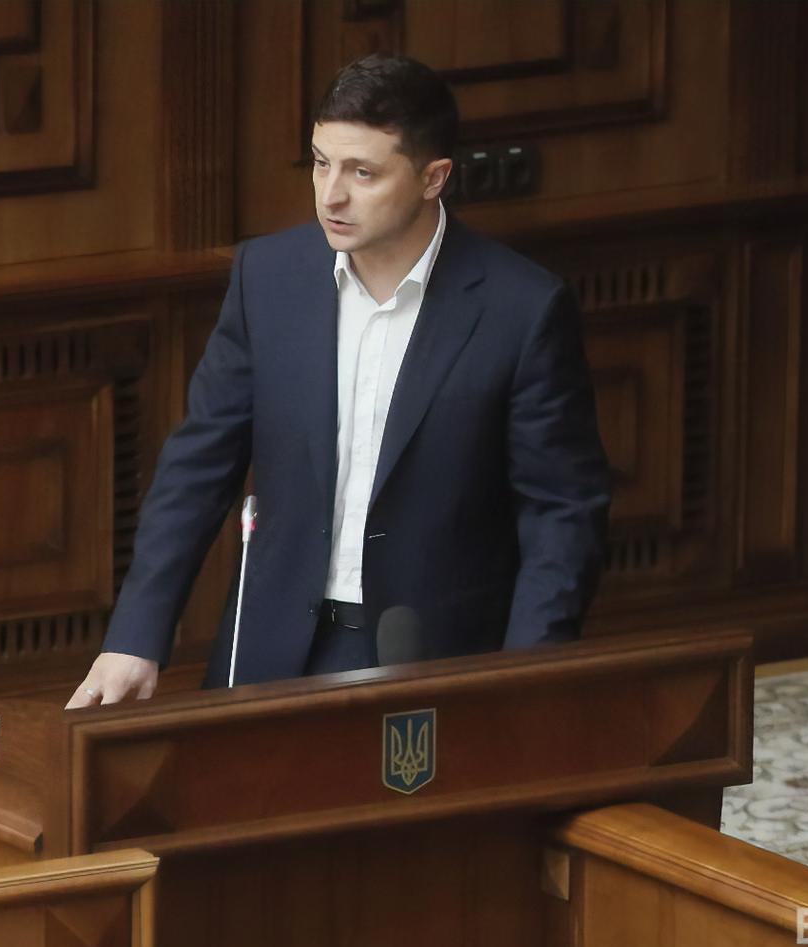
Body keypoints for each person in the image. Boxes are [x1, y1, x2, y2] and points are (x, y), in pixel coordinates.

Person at [66, 53, 610, 709]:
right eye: (322, 163)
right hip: (270, 650)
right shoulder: (269, 277)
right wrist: (135, 635)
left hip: (435, 656)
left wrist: (527, 678)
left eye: (363, 172)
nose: (331, 195)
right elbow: (196, 467)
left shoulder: (521, 308)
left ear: (434, 178)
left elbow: (562, 514)